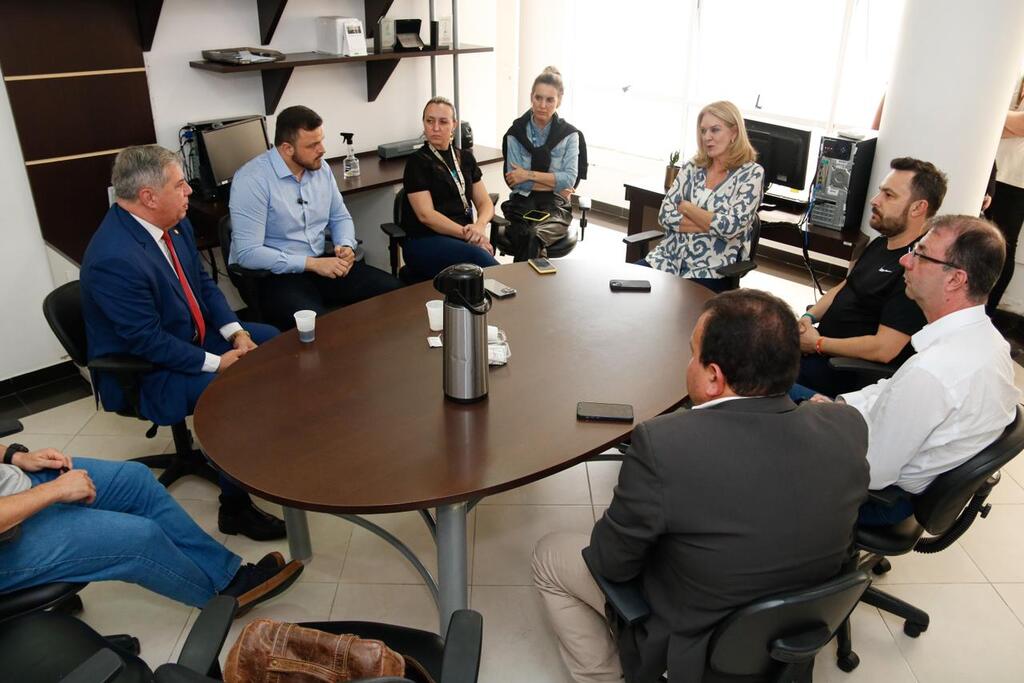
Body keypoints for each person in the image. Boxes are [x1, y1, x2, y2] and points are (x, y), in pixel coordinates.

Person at [533, 289, 869, 683]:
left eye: (692, 353)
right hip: (786, 635)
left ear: (714, 377)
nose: (687, 362)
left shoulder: (663, 444)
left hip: (693, 648)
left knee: (549, 556)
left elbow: (610, 561)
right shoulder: (847, 428)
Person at [81, 145, 285, 541]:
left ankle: (262, 448)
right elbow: (147, 342)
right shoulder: (114, 258)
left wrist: (235, 332)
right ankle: (236, 509)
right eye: (180, 184)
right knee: (235, 389)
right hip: (147, 370)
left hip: (188, 334)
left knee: (272, 341)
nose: (189, 191)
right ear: (148, 197)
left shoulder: (174, 224)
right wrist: (218, 363)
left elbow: (203, 285)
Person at [812, 216, 1020, 526]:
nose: (905, 260)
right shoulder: (987, 340)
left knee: (758, 428)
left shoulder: (933, 373)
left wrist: (828, 426)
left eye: (920, 254)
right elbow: (891, 389)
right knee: (785, 398)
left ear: (955, 280)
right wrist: (842, 406)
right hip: (872, 439)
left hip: (876, 497)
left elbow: (872, 470)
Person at [0, 444, 302, 614]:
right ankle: (218, 606)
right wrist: (54, 492)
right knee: (137, 539)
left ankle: (227, 576)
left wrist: (16, 456)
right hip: (7, 537)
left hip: (18, 487)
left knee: (136, 481)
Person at [229, 105, 401, 331]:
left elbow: (340, 216)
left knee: (395, 293)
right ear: (287, 148)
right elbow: (248, 254)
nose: (322, 149)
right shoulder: (252, 180)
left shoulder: (321, 169)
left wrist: (345, 244)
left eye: (321, 140)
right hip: (277, 277)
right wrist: (312, 264)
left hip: (323, 263)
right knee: (321, 329)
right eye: (312, 145)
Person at [795, 157, 948, 398]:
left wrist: (817, 343)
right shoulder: (880, 244)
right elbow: (846, 286)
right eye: (880, 193)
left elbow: (884, 349)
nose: (875, 201)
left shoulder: (915, 269)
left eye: (889, 195)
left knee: (749, 375)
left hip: (842, 373)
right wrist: (808, 316)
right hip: (819, 351)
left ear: (918, 208)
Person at [642, 101, 764, 293]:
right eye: (703, 130)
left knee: (676, 315)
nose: (707, 137)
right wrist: (711, 223)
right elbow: (665, 216)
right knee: (622, 290)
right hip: (666, 259)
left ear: (734, 132)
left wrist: (687, 208)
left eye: (715, 130)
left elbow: (730, 228)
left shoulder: (751, 174)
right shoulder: (693, 166)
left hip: (710, 271)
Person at [399, 96, 499, 279]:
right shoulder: (417, 162)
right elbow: (426, 216)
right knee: (478, 258)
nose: (435, 128)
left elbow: (485, 202)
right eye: (430, 121)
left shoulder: (466, 159)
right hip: (425, 240)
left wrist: (480, 226)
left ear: (454, 124)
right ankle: (513, 297)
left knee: (479, 262)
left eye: (443, 122)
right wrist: (469, 236)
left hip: (464, 237)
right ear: (423, 123)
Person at [501, 66, 586, 260]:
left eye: (550, 100)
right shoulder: (515, 133)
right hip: (521, 204)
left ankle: (519, 288)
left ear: (559, 100)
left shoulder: (570, 135)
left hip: (556, 206)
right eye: (538, 98)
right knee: (530, 236)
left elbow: (569, 179)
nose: (542, 105)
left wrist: (527, 174)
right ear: (531, 97)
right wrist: (554, 181)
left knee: (533, 235)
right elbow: (515, 182)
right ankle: (537, 284)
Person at [987, 72, 1024, 315]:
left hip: (1016, 178)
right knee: (975, 241)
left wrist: (992, 116)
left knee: (1004, 244)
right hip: (989, 166)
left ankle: (986, 313)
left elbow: (1019, 123)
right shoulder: (1015, 70)